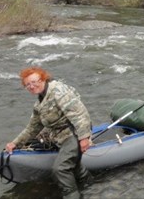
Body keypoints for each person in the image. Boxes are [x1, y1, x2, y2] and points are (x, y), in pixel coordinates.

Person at [5, 67, 93, 198]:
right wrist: (15, 143)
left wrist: (84, 138)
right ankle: (90, 186)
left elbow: (80, 114)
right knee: (74, 165)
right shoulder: (39, 103)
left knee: (60, 169)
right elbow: (32, 127)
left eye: (34, 81)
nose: (31, 86)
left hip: (73, 132)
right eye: (27, 84)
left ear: (43, 79)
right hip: (60, 136)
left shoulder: (58, 91)